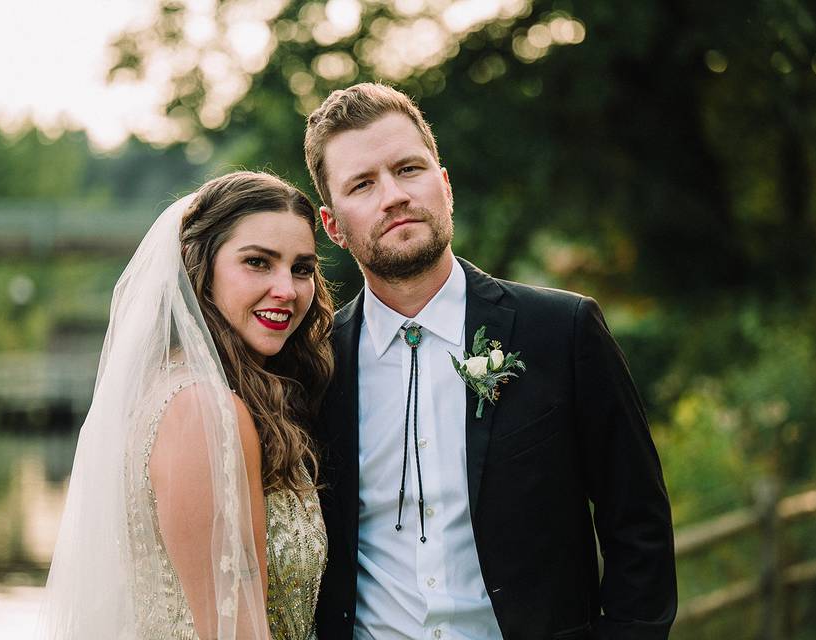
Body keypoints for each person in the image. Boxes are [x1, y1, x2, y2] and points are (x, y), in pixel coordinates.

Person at [305, 84, 677, 639]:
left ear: (445, 185)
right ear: (333, 226)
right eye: (363, 184)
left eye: (408, 169)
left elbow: (638, 524)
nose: (393, 196)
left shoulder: (562, 330)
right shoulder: (312, 368)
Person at [37, 171, 334, 639]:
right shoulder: (203, 411)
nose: (288, 289)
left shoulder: (176, 389)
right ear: (202, 270)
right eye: (258, 262)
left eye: (301, 268)